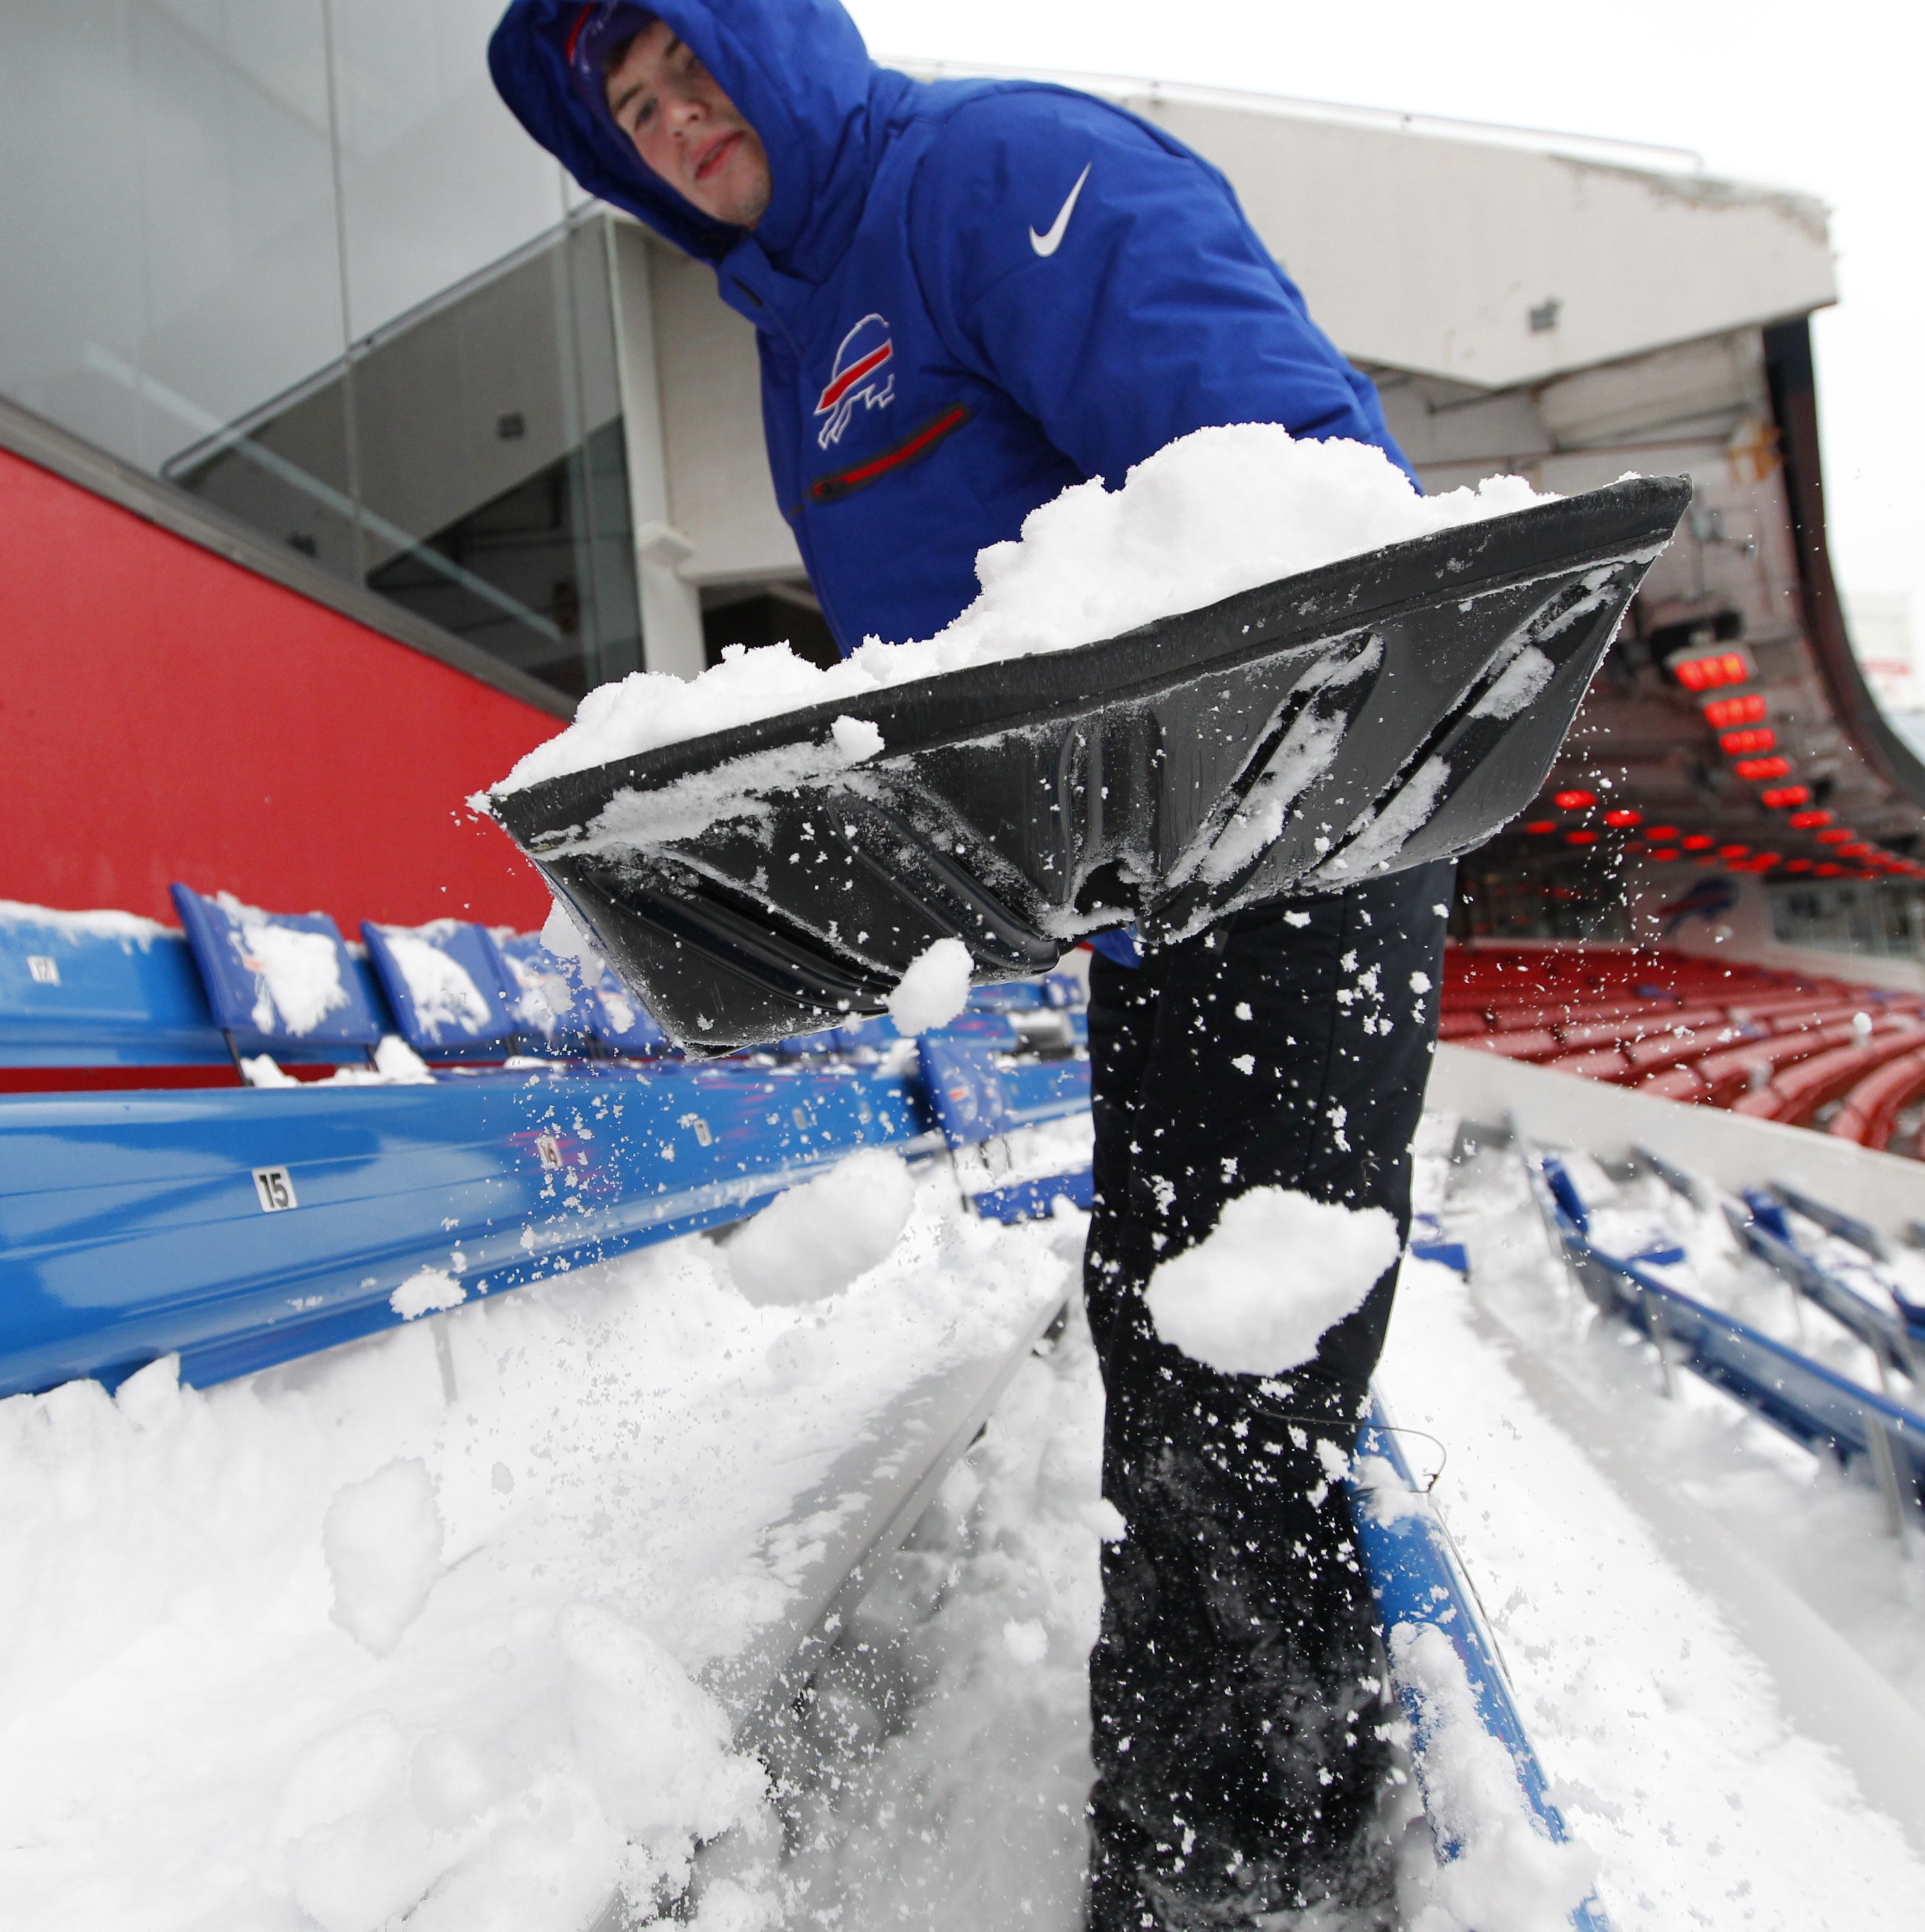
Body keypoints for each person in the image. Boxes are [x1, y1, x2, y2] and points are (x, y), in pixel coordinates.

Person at [491, 5, 1451, 1923]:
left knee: (1228, 1391)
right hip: (1163, 904)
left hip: (1297, 839)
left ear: (774, 43)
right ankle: (1220, 1860)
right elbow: (967, 690)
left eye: (694, 70)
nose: (680, 125)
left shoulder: (996, 172)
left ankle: (1243, 1888)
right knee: (1173, 1368)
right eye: (638, 110)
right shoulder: (797, 330)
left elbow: (1285, 487)